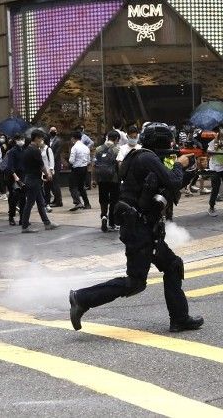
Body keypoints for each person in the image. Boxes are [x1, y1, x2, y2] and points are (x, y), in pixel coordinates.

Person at [69, 124, 204, 333]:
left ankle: (180, 318)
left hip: (142, 228)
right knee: (135, 282)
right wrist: (179, 164)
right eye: (169, 142)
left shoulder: (140, 157)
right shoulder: (147, 158)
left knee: (173, 265)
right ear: (162, 142)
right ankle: (81, 298)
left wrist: (192, 169)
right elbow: (172, 180)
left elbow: (168, 186)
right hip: (140, 230)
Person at [20, 129, 59, 233]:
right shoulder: (35, 150)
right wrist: (48, 174)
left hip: (30, 178)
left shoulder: (27, 149)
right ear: (37, 138)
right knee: (30, 203)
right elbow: (41, 165)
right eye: (41, 138)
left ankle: (47, 223)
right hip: (34, 180)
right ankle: (25, 226)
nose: (42, 141)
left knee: (40, 202)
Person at [94, 131, 121, 232]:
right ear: (117, 139)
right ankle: (112, 222)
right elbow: (119, 165)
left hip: (102, 179)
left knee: (103, 199)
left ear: (107, 137)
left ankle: (104, 216)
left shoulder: (98, 149)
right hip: (114, 179)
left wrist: (93, 179)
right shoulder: (117, 150)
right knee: (114, 200)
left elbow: (94, 165)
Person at [5, 134, 27, 226]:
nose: (21, 141)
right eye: (19, 139)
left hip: (22, 176)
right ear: (15, 140)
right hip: (13, 176)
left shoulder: (24, 150)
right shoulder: (12, 152)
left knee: (23, 198)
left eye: (22, 139)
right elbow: (10, 166)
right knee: (14, 197)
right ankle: (11, 216)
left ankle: (22, 218)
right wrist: (15, 177)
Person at [68, 131, 91, 211]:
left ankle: (78, 202)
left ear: (73, 138)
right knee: (81, 187)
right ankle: (87, 204)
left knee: (72, 186)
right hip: (84, 168)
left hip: (76, 168)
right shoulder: (86, 147)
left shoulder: (74, 147)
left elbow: (71, 160)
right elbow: (88, 160)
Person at [207, 126, 223, 217]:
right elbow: (208, 152)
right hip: (214, 168)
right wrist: (217, 149)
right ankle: (211, 207)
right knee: (215, 188)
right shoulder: (214, 142)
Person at [48, 127, 63, 207]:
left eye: (54, 131)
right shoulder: (49, 140)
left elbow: (56, 154)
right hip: (50, 164)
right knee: (52, 183)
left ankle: (59, 201)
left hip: (55, 164)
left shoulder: (58, 141)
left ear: (56, 132)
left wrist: (51, 162)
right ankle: (55, 199)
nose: (52, 132)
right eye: (51, 131)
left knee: (55, 183)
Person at [40, 133, 55, 212]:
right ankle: (43, 203)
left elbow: (51, 161)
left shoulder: (48, 149)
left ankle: (47, 204)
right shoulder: (38, 149)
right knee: (41, 189)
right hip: (40, 172)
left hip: (47, 172)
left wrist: (51, 171)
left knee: (47, 189)